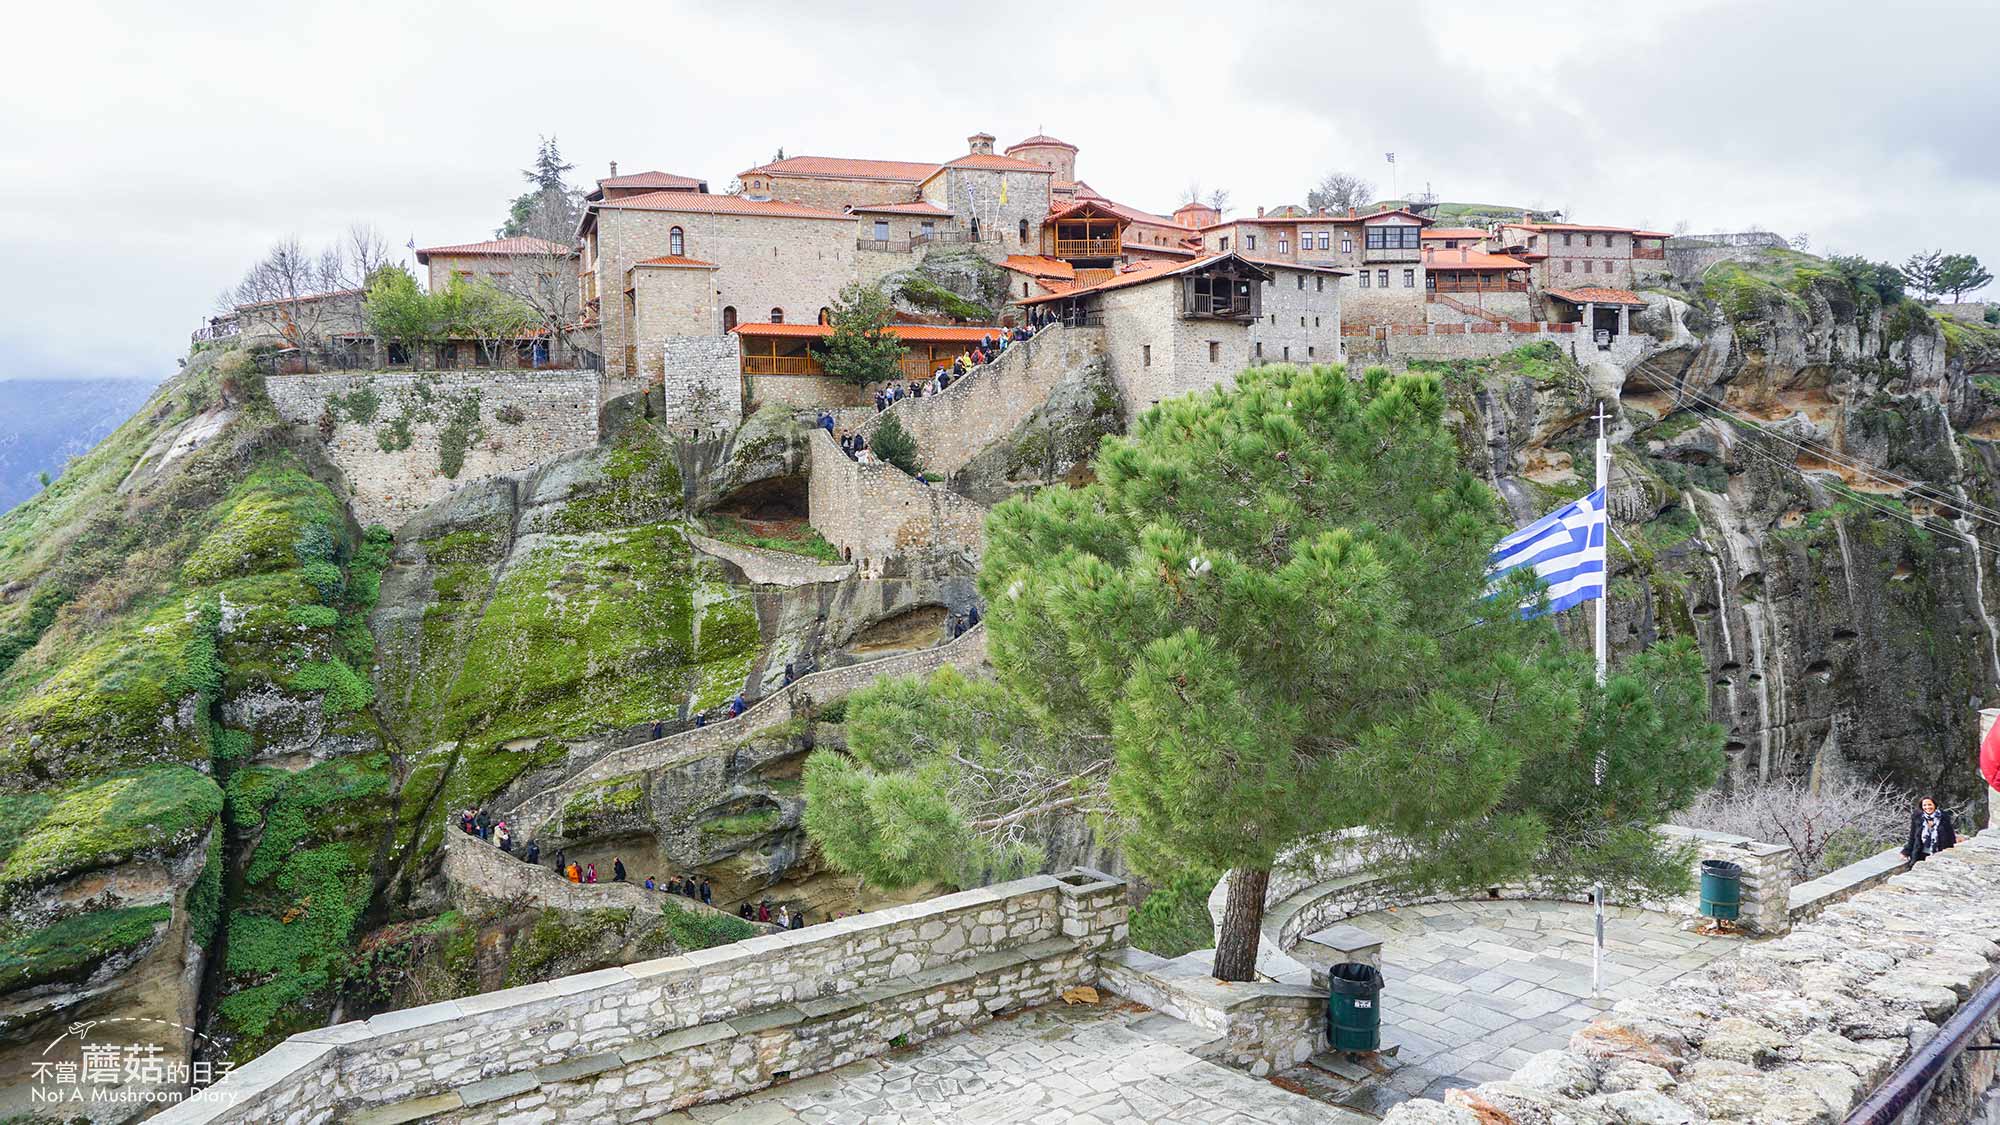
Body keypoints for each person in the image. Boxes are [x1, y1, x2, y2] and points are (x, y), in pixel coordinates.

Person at [1903, 796, 1957, 866]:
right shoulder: (1918, 818)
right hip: (1921, 853)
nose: (1927, 807)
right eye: (1924, 805)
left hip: (1938, 853)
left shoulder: (1943, 818)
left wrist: (1950, 853)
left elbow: (1951, 836)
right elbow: (1912, 836)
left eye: (1929, 804)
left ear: (1934, 805)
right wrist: (1906, 852)